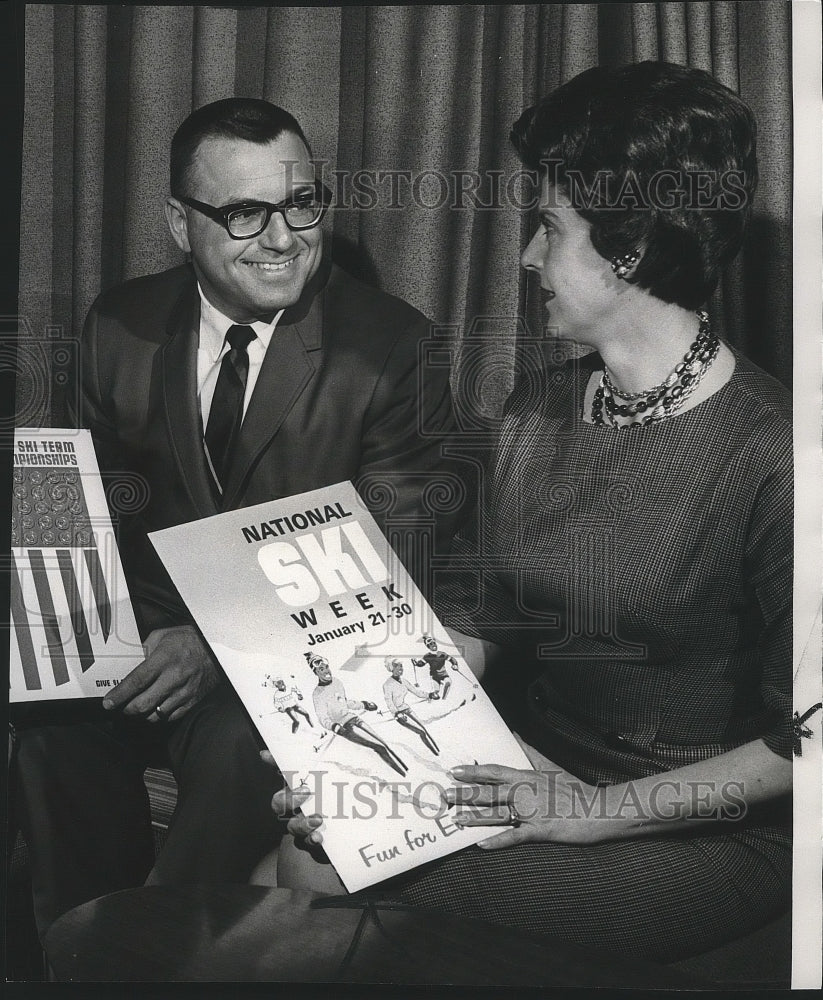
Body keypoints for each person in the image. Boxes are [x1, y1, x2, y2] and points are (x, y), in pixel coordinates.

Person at [272, 63, 795, 964]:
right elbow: (485, 617)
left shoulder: (772, 451)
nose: (525, 257)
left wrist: (595, 812)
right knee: (316, 833)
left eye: (548, 228)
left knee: (318, 876)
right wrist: (351, 744)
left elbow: (808, 742)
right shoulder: (536, 405)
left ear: (626, 248)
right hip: (526, 764)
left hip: (698, 825)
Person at [13, 97, 465, 938]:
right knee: (45, 724)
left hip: (294, 658)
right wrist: (72, 631)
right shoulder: (119, 323)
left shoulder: (395, 349)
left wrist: (212, 645)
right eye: (245, 212)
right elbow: (86, 504)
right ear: (180, 224)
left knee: (236, 750)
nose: (284, 237)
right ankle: (74, 950)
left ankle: (172, 953)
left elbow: (392, 557)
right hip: (139, 633)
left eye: (300, 203)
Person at [308, 654, 408, 776]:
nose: (326, 671)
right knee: (378, 747)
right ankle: (402, 775)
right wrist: (334, 726)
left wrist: (364, 704)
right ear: (316, 673)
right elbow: (322, 717)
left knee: (383, 742)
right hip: (344, 727)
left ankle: (406, 770)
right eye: (321, 669)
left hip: (353, 718)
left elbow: (344, 702)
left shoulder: (337, 682)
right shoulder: (317, 694)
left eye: (326, 667)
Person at [382, 657, 439, 754]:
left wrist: (429, 695)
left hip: (407, 709)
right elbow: (389, 702)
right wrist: (396, 714)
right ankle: (434, 753)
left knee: (424, 728)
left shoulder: (404, 680)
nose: (401, 669)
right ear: (392, 668)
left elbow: (416, 692)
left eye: (402, 667)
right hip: (400, 714)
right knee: (421, 732)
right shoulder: (387, 684)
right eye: (398, 667)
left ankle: (438, 750)